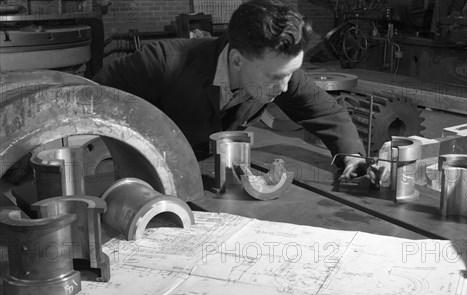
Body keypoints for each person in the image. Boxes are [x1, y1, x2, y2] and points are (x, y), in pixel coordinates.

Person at [93, 0, 369, 183]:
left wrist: (352, 156)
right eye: (276, 77)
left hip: (209, 175)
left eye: (291, 73)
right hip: (143, 172)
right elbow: (91, 99)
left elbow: (328, 113)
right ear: (237, 59)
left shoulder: (280, 71)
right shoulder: (162, 63)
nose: (285, 87)